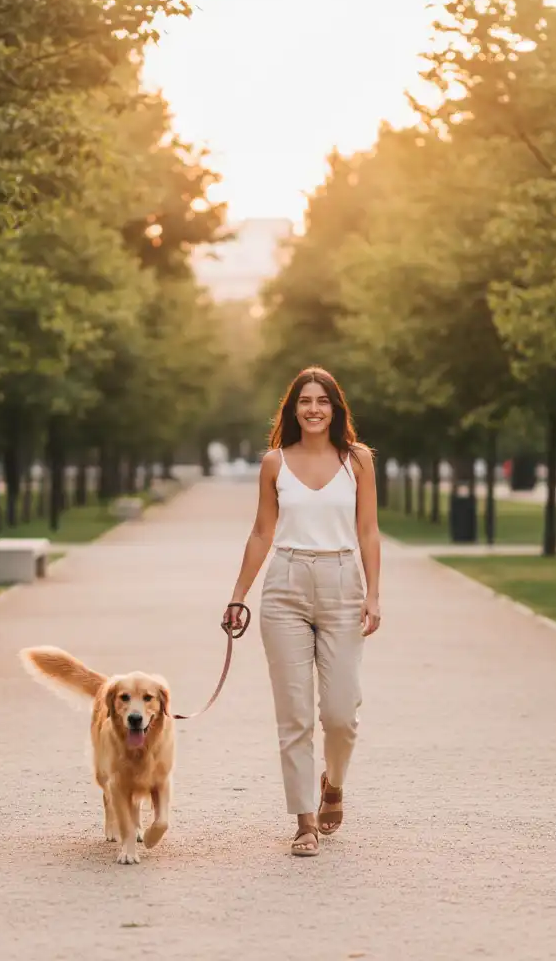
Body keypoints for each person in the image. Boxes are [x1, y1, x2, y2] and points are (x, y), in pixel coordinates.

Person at [224, 366, 381, 857]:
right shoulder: (275, 462)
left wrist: (373, 595)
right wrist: (238, 595)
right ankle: (305, 820)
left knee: (340, 713)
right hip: (285, 586)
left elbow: (369, 531)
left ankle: (333, 782)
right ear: (293, 409)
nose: (314, 408)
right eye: (305, 401)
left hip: (341, 582)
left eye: (323, 401)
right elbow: (261, 532)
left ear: (336, 408)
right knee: (293, 715)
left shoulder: (357, 460)